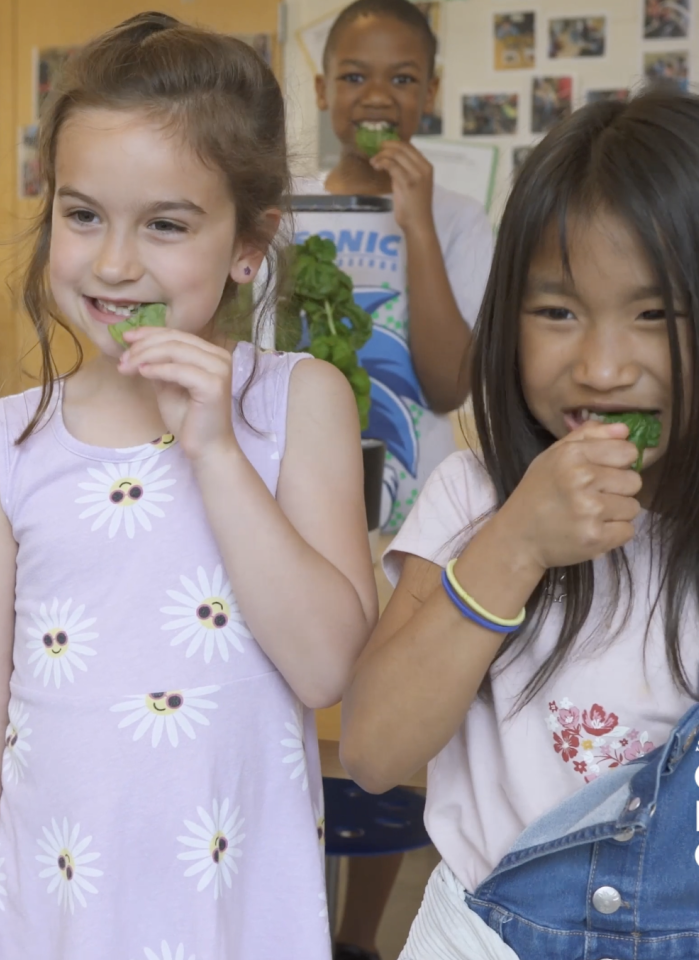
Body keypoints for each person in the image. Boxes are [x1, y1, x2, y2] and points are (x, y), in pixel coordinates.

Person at [0, 13, 377, 960]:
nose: (116, 262)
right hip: (51, 917)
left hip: (237, 912)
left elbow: (328, 668)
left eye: (165, 225)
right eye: (83, 214)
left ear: (249, 246)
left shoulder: (301, 404)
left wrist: (212, 451)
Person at [343, 91, 699, 959]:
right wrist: (515, 545)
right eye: (558, 312)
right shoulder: (472, 499)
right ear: (507, 319)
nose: (604, 367)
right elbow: (373, 751)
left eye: (653, 314)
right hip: (481, 939)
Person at [306, 0, 493, 537]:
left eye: (404, 78)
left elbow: (447, 389)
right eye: (354, 75)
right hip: (296, 486)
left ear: (430, 94)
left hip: (417, 506)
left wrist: (419, 227)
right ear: (323, 89)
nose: (378, 96)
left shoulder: (459, 219)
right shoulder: (281, 209)